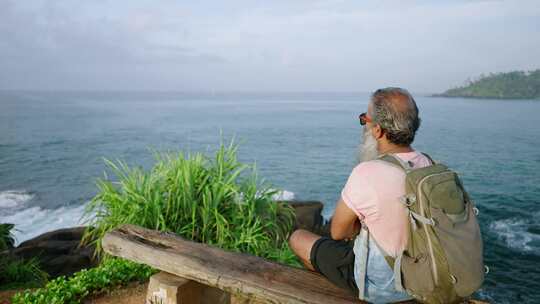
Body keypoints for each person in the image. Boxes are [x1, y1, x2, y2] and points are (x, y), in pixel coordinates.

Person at [288, 87, 430, 303]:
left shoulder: (367, 172)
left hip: (385, 287)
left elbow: (337, 231)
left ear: (378, 130)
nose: (364, 125)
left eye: (365, 119)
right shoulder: (430, 165)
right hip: (426, 277)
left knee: (298, 238)